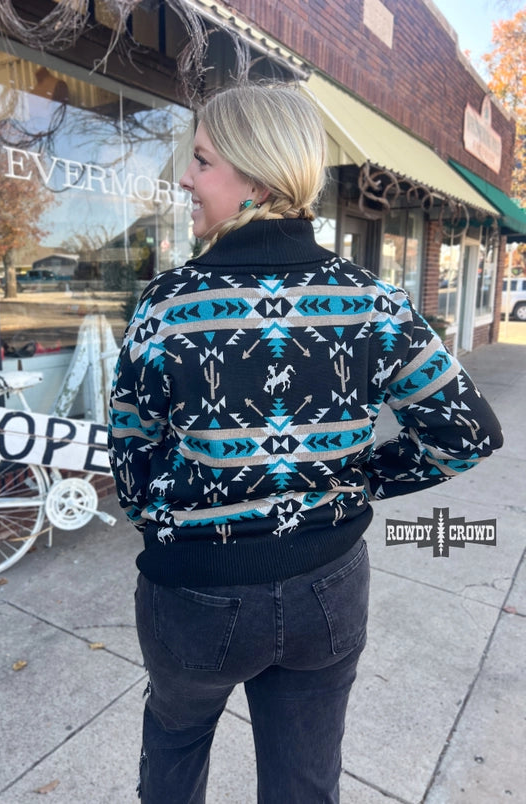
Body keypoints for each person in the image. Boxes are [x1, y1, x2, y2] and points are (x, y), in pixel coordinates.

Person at [108, 83, 503, 803]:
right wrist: (355, 477)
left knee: (175, 749)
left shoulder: (167, 305)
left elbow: (132, 461)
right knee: (304, 782)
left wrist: (181, 517)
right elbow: (466, 433)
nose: (185, 178)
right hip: (327, 587)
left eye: (201, 160)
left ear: (258, 180)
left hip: (195, 594)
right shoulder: (373, 302)